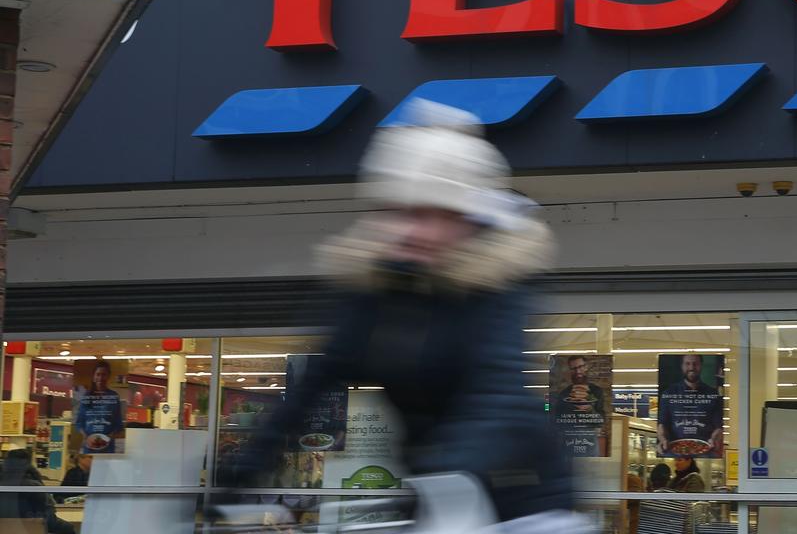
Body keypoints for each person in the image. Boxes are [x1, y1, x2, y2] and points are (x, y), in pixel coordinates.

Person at [224, 100, 585, 531]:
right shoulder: (368, 295)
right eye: (402, 212)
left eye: (437, 215)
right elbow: (310, 391)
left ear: (468, 220)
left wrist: (449, 475)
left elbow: (497, 393)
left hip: (527, 499)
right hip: (437, 495)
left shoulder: (496, 285)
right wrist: (238, 479)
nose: (416, 230)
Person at [657, 354, 724, 456]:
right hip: (674, 452)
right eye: (687, 364)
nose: (691, 367)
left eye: (695, 364)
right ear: (682, 366)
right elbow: (662, 423)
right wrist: (662, 439)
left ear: (701, 365)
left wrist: (714, 439)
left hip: (705, 451)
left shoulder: (713, 395)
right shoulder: (669, 394)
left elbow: (718, 426)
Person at [0, 449, 75, 534]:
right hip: (29, 530)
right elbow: (49, 520)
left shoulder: (3, 486)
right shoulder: (34, 487)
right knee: (68, 528)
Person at [75, 359, 124, 454]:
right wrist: (85, 436)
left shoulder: (114, 396)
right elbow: (79, 423)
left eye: (104, 374)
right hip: (89, 447)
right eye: (98, 374)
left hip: (108, 447)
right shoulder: (86, 396)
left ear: (108, 376)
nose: (101, 378)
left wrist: (111, 436)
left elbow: (118, 424)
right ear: (94, 377)